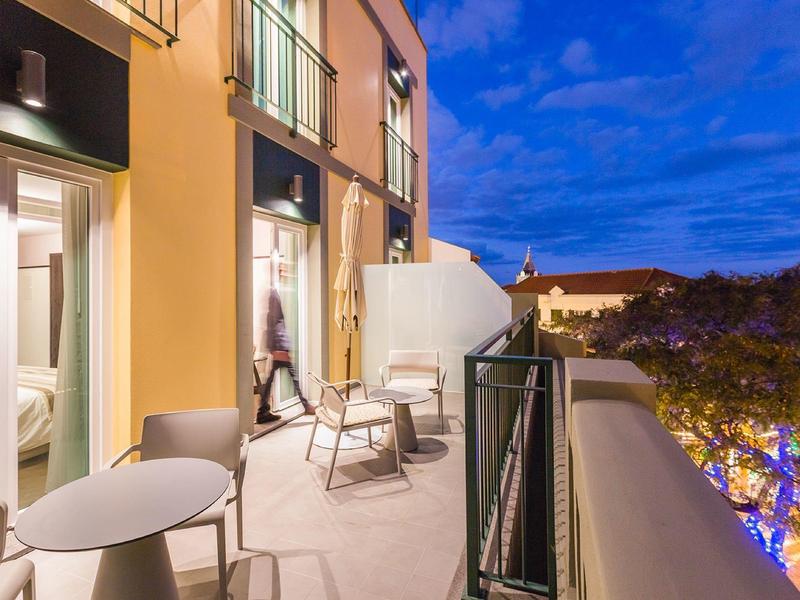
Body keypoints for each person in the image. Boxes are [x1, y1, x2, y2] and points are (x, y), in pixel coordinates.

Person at [256, 286, 315, 423]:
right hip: (280, 348)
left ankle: (262, 411)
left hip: (278, 347)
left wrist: (274, 347)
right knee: (292, 378)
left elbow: (274, 325)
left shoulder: (271, 300)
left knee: (272, 379)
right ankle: (305, 405)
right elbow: (276, 324)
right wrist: (281, 348)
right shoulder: (274, 296)